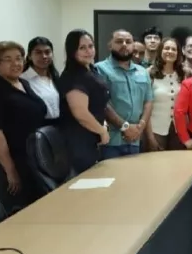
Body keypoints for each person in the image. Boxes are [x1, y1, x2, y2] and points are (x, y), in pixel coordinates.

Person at [0, 41, 48, 217]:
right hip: (6, 159)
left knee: (36, 205)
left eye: (19, 58)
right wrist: (10, 171)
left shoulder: (23, 84)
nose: (16, 63)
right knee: (18, 211)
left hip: (28, 155)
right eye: (8, 59)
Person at [57, 29, 110, 174]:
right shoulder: (73, 76)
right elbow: (80, 113)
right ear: (72, 51)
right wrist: (102, 131)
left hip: (92, 136)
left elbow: (97, 103)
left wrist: (102, 125)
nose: (88, 51)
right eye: (82, 48)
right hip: (78, 140)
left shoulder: (91, 70)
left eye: (91, 46)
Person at [96, 30, 153, 160]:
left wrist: (140, 127)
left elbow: (148, 101)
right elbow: (102, 103)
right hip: (110, 142)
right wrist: (125, 127)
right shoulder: (99, 69)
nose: (124, 45)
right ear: (110, 45)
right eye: (119, 41)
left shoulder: (142, 72)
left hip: (135, 140)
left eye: (128, 42)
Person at [146, 37, 185, 151]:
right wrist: (150, 136)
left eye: (174, 49)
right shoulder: (149, 73)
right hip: (156, 129)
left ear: (178, 53)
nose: (170, 51)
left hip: (179, 130)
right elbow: (144, 106)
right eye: (167, 48)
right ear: (160, 51)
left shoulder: (184, 73)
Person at [21, 36, 60, 124]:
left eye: (47, 52)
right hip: (36, 126)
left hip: (58, 126)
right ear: (29, 56)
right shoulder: (23, 80)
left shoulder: (55, 77)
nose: (44, 56)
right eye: (38, 52)